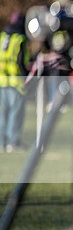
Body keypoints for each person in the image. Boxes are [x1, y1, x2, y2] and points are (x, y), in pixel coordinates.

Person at [0, 12, 30, 152]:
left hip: (2, 81)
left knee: (3, 113)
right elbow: (20, 61)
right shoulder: (19, 39)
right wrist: (26, 77)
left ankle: (2, 142)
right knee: (15, 112)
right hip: (15, 81)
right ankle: (13, 141)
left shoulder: (2, 37)